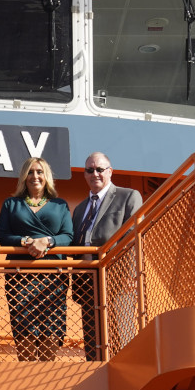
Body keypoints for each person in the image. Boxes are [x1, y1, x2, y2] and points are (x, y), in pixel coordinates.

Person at [0, 157, 74, 361]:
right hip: (20, 277)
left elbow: (68, 236)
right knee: (24, 327)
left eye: (39, 172)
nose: (35, 176)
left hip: (53, 277)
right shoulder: (11, 204)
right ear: (23, 177)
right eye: (30, 172)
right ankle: (27, 371)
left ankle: (45, 375)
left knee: (52, 327)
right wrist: (26, 242)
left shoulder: (60, 205)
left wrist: (47, 242)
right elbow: (2, 236)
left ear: (47, 176)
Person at [72, 151, 143, 361]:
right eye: (89, 170)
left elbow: (133, 236)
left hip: (117, 278)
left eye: (100, 169)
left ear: (110, 171)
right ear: (84, 174)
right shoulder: (80, 209)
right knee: (93, 341)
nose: (95, 173)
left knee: (121, 336)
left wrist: (128, 274)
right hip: (87, 282)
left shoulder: (128, 196)